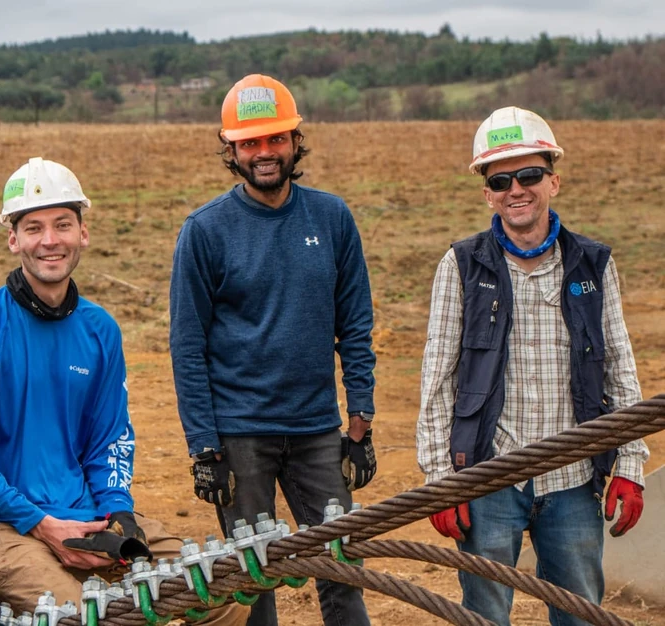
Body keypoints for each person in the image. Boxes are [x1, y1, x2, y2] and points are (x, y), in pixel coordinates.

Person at [0, 158, 248, 624]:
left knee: (220, 592)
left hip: (87, 515)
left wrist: (118, 513)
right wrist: (42, 525)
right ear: (13, 239)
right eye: (33, 227)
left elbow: (110, 439)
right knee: (95, 618)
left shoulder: (100, 329)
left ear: (83, 233)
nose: (49, 240)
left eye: (63, 224)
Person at [416, 106, 649, 626]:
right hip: (489, 476)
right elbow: (437, 378)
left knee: (580, 612)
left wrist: (629, 465)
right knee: (484, 613)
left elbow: (620, 367)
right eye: (501, 180)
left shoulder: (594, 264)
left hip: (572, 480)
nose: (516, 189)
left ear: (554, 181)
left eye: (529, 175)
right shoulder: (460, 265)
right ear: (487, 193)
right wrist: (440, 480)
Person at [169, 73, 377, 626]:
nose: (265, 152)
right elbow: (187, 347)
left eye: (276, 139)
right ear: (231, 149)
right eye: (250, 142)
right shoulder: (205, 231)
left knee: (341, 566)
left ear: (294, 142)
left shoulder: (332, 218)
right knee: (251, 582)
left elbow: (355, 325)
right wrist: (204, 448)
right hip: (239, 437)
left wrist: (360, 425)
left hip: (315, 431)